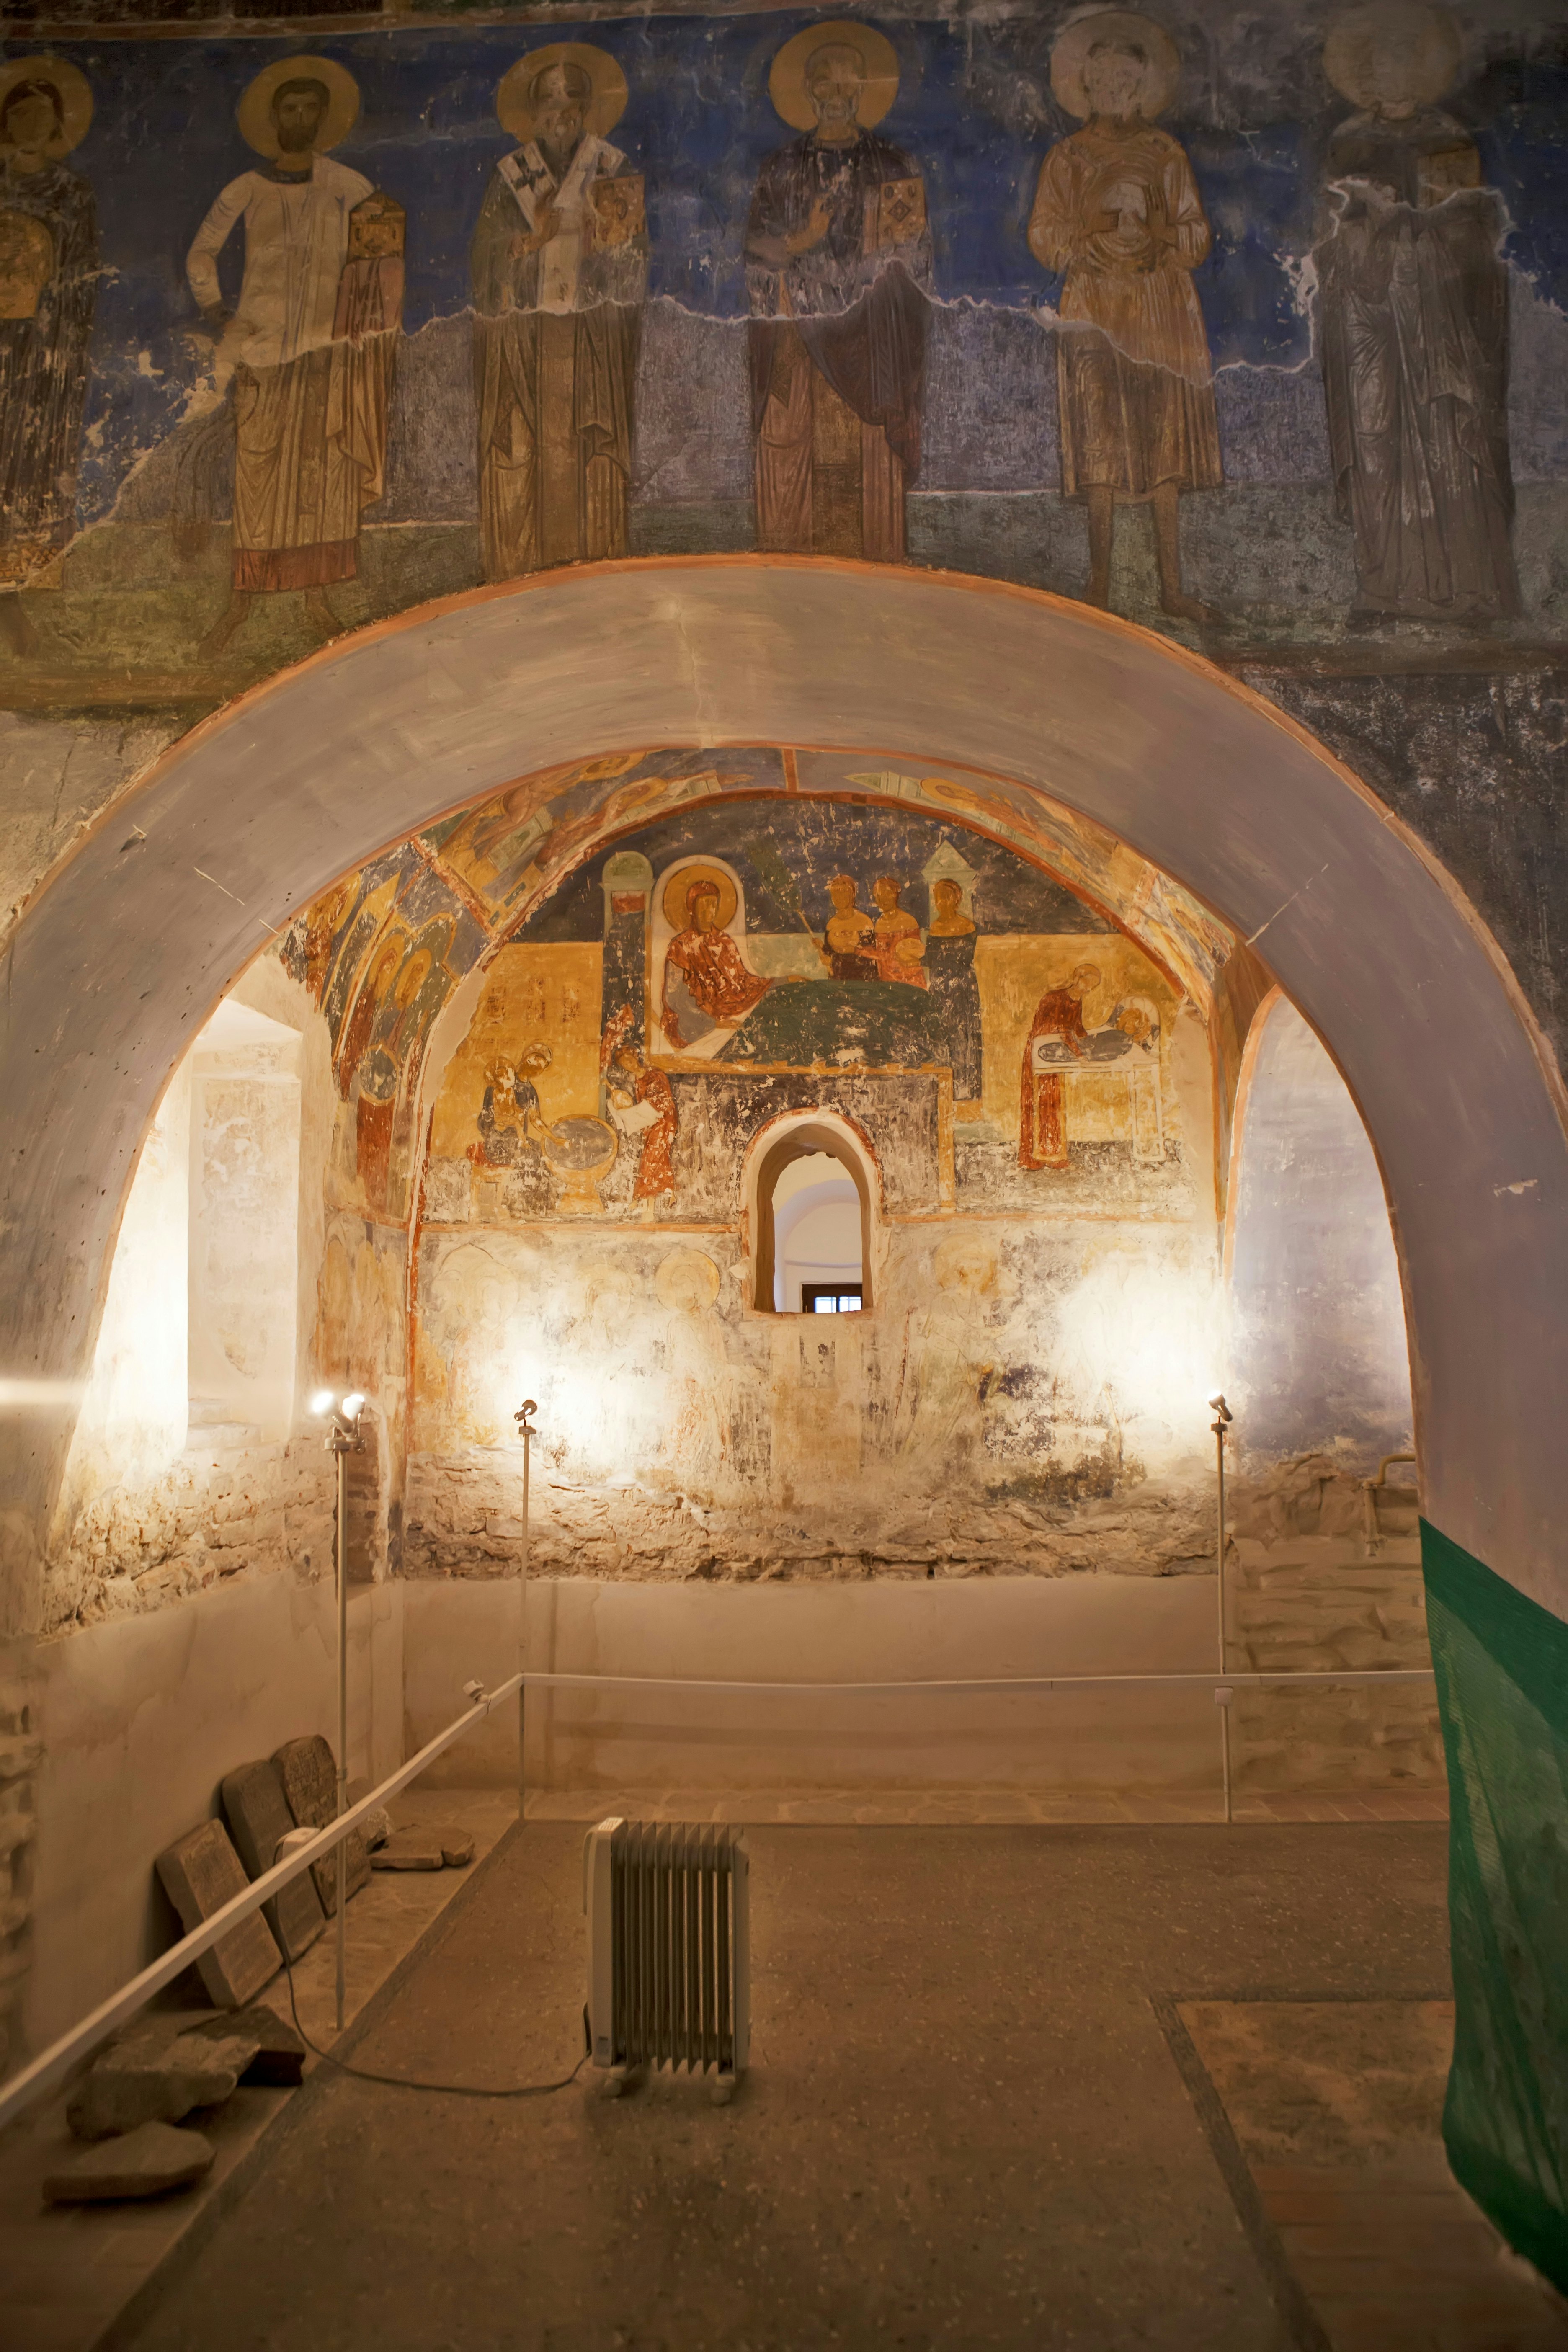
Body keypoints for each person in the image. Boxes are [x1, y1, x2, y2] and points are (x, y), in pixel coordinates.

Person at [187, 59, 402, 659]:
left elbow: (384, 251)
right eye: (290, 109)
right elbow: (202, 253)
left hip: (329, 354)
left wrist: (368, 319)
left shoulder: (350, 187)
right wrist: (217, 314)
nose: (300, 118)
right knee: (256, 477)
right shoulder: (247, 188)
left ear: (325, 118)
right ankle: (243, 600)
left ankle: (317, 599)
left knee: (325, 474)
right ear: (273, 119)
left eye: (310, 108)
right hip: (262, 353)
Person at [1316, 2, 1518, 626]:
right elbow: (1328, 241)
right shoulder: (1348, 142)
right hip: (1372, 317)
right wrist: (1367, 230)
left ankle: (1467, 591)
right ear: (1369, 76)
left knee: (1448, 438)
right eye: (1381, 65)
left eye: (1404, 63)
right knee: (1376, 440)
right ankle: (1384, 589)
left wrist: (1418, 226)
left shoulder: (1449, 139)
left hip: (1436, 317)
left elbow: (1477, 237)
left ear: (1422, 72)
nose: (1392, 76)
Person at [1027, 14, 1221, 623]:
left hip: (1158, 302)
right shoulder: (1071, 157)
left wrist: (1162, 235)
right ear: (1086, 87)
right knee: (1100, 440)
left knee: (1165, 441)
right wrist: (1089, 234)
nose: (1114, 90)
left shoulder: (1166, 154)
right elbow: (1044, 234)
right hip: (1094, 306)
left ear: (1142, 86)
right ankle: (1100, 582)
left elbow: (1195, 235)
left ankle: (1172, 588)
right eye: (1102, 80)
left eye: (1125, 81)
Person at [746, 24, 932, 560]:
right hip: (798, 340)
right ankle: (788, 568)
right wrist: (799, 242)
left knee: (865, 451)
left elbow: (915, 258)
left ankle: (876, 567)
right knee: (789, 441)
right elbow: (755, 250)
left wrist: (885, 262)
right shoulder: (781, 169)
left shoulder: (893, 168)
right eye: (822, 85)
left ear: (862, 91)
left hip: (870, 340)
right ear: (807, 93)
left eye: (846, 87)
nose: (835, 97)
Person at [470, 46, 646, 581]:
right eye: (550, 104)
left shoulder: (610, 168)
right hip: (526, 341)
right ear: (533, 114)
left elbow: (634, 261)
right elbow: (486, 258)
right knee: (523, 451)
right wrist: (529, 242)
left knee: (589, 452)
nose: (561, 114)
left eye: (572, 103)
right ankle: (521, 573)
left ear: (588, 110)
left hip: (591, 339)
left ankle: (596, 567)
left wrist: (605, 249)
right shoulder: (511, 176)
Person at [0, 64, 97, 657]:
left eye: (41, 115)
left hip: (40, 358)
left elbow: (80, 280)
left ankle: (19, 604)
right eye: (20, 115)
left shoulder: (71, 195)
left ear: (58, 123)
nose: (30, 125)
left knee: (31, 471)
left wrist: (53, 339)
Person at [661, 877, 774, 1048]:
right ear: (692, 908)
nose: (710, 910)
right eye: (704, 904)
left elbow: (743, 980)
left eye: (714, 904)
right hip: (696, 1017)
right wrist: (711, 1022)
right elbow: (675, 998)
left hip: (731, 1006)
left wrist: (776, 983)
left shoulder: (725, 942)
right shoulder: (680, 947)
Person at [1019, 962, 1101, 1171]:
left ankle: (1054, 1155)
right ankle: (1035, 1156)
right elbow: (1058, 1030)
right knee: (1039, 1103)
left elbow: (1077, 1029)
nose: (1089, 989)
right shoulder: (1054, 998)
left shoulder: (1077, 1001)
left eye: (1093, 986)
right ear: (1077, 978)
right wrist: (1080, 1053)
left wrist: (1094, 1044)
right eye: (1087, 983)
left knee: (1054, 1103)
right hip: (1042, 1053)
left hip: (1059, 1055)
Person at [923, 876, 982, 1101]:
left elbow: (963, 960)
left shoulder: (966, 926)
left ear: (957, 900)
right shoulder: (936, 927)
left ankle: (966, 1092)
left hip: (962, 989)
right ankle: (943, 1093)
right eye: (939, 898)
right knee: (941, 1037)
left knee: (964, 1038)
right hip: (939, 989)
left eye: (947, 898)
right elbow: (931, 959)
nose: (942, 902)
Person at [610, 1039, 678, 1203]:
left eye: (629, 1060)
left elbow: (663, 1099)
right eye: (624, 1064)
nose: (628, 1065)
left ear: (635, 1057)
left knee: (652, 1154)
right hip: (651, 1122)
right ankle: (670, 1194)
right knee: (659, 1155)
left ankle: (640, 1196)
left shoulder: (656, 1074)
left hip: (665, 1119)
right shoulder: (636, 1082)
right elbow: (641, 1103)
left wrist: (644, 1112)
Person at [867, 874, 927, 987]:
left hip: (910, 981)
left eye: (887, 894)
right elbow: (880, 955)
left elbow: (916, 953)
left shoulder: (909, 921)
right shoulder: (878, 924)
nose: (882, 900)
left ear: (896, 895)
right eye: (878, 896)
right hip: (887, 982)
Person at [820, 872, 878, 980]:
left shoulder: (864, 922)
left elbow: (871, 955)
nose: (839, 897)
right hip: (838, 980)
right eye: (835, 893)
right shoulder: (831, 924)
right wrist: (826, 956)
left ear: (853, 895)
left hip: (863, 980)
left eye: (844, 893)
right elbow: (830, 956)